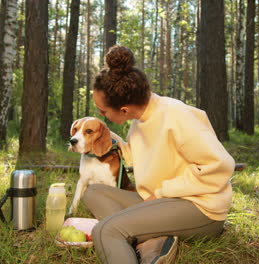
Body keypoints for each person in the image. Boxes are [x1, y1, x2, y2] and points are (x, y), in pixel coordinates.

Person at [82, 45, 235, 264]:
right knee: (94, 192)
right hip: (158, 201)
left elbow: (220, 167)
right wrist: (110, 141)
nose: (100, 114)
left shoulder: (175, 115)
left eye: (103, 111)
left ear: (123, 109)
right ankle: (153, 238)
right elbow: (143, 156)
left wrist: (164, 192)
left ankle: (132, 237)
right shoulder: (140, 118)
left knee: (105, 231)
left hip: (200, 208)